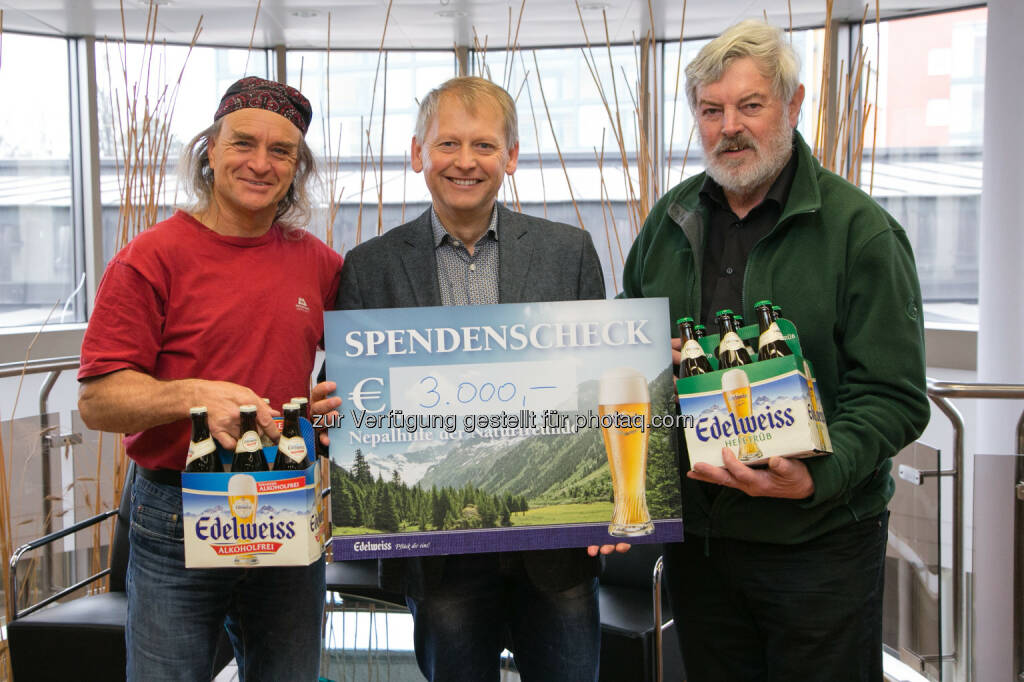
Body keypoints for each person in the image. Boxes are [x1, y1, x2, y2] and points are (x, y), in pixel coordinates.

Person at [621, 20, 930, 681]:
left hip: (818, 545)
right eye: (711, 110)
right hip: (701, 546)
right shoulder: (666, 224)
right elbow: (627, 359)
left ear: (792, 106)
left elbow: (895, 397)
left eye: (750, 105)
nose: (728, 126)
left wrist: (815, 475)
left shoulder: (861, 233)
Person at [332, 76, 622, 682]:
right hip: (439, 560)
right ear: (418, 154)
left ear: (511, 157)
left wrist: (620, 504)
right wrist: (330, 410)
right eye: (448, 144)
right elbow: (349, 395)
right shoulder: (370, 268)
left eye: (485, 146)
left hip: (558, 553)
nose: (466, 162)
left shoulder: (568, 252)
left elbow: (603, 389)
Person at [77, 77, 343, 681]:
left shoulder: (317, 262)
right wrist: (197, 395)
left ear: (297, 168)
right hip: (176, 507)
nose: (260, 163)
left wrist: (336, 404)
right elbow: (98, 400)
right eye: (243, 143)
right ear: (210, 151)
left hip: (285, 498)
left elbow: (359, 366)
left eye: (281, 152)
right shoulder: (151, 258)